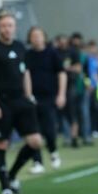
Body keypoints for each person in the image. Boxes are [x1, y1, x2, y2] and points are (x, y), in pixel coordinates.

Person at [0, 12, 44, 194]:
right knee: (2, 143)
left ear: (15, 27)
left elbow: (25, 73)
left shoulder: (20, 47)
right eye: (3, 26)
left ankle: (13, 174)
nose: (7, 29)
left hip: (20, 100)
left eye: (10, 25)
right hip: (2, 101)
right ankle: (5, 186)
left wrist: (29, 95)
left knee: (35, 141)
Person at [25, 26, 66, 172]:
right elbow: (26, 75)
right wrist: (28, 95)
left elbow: (61, 74)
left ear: (44, 37)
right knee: (33, 131)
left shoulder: (52, 54)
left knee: (49, 129)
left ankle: (53, 153)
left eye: (39, 35)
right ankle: (37, 162)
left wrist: (61, 94)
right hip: (32, 98)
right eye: (33, 35)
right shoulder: (27, 55)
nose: (36, 38)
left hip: (49, 97)